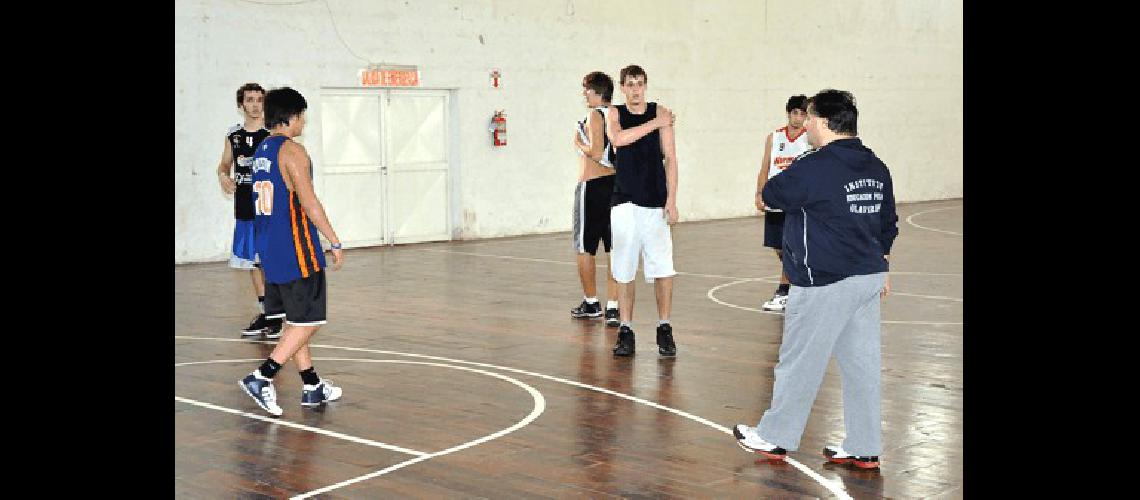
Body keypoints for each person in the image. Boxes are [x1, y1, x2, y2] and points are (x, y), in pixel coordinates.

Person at [733, 89, 898, 469]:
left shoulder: (815, 165)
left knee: (799, 361)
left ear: (822, 123)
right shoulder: (875, 165)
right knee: (862, 365)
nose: (804, 124)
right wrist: (882, 264)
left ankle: (775, 437)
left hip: (824, 280)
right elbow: (887, 223)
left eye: (809, 118)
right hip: (868, 277)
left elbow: (770, 195)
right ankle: (864, 445)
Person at [239, 87, 346, 417]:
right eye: (302, 116)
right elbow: (308, 202)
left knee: (295, 321)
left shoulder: (261, 150)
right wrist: (334, 240)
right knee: (310, 321)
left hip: (270, 248)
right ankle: (263, 376)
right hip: (297, 249)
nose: (304, 122)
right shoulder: (292, 151)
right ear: (291, 116)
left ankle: (312, 385)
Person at [604, 65, 678, 357]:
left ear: (646, 86)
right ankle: (626, 329)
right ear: (623, 88)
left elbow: (671, 158)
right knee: (623, 268)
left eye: (640, 84)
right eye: (630, 84)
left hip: (655, 202)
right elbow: (619, 140)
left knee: (662, 267)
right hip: (624, 201)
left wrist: (672, 200)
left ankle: (664, 327)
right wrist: (655, 123)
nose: (636, 90)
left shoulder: (661, 112)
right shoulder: (615, 114)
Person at [216, 83, 281, 338]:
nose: (255, 105)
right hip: (244, 206)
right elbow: (223, 164)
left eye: (259, 100)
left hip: (268, 207)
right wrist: (223, 176)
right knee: (253, 262)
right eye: (250, 100)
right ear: (241, 104)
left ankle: (277, 313)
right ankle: (267, 312)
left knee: (269, 260)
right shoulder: (234, 135)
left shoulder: (272, 134)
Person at [570, 71, 621, 327]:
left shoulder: (595, 114)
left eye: (586, 90)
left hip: (592, 186)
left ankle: (591, 302)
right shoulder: (617, 113)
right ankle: (613, 306)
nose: (584, 94)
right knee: (614, 246)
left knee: (585, 246)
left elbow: (597, 151)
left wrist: (579, 143)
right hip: (615, 185)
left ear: (597, 92)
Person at [755, 95, 809, 313]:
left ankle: (784, 290)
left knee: (791, 246)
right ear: (788, 113)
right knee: (778, 247)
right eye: (794, 112)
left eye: (802, 114)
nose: (797, 117)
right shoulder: (774, 137)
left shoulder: (809, 139)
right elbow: (765, 167)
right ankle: (798, 282)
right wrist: (759, 192)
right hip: (775, 199)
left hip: (796, 202)